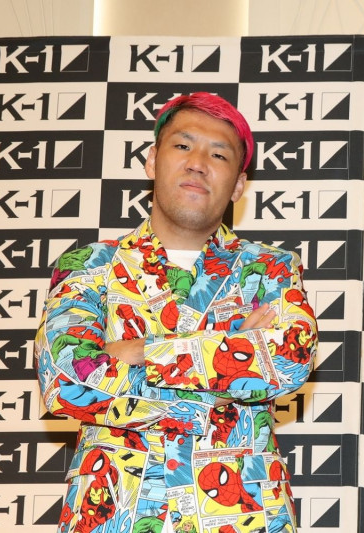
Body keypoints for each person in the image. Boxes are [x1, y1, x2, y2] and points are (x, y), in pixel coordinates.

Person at [35, 92, 317, 533]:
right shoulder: (89, 265)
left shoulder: (271, 269)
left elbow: (288, 360)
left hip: (242, 512)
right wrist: (224, 374)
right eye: (183, 145)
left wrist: (137, 352)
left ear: (238, 185)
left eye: (218, 154)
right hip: (113, 512)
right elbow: (66, 380)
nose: (198, 163)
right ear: (152, 161)